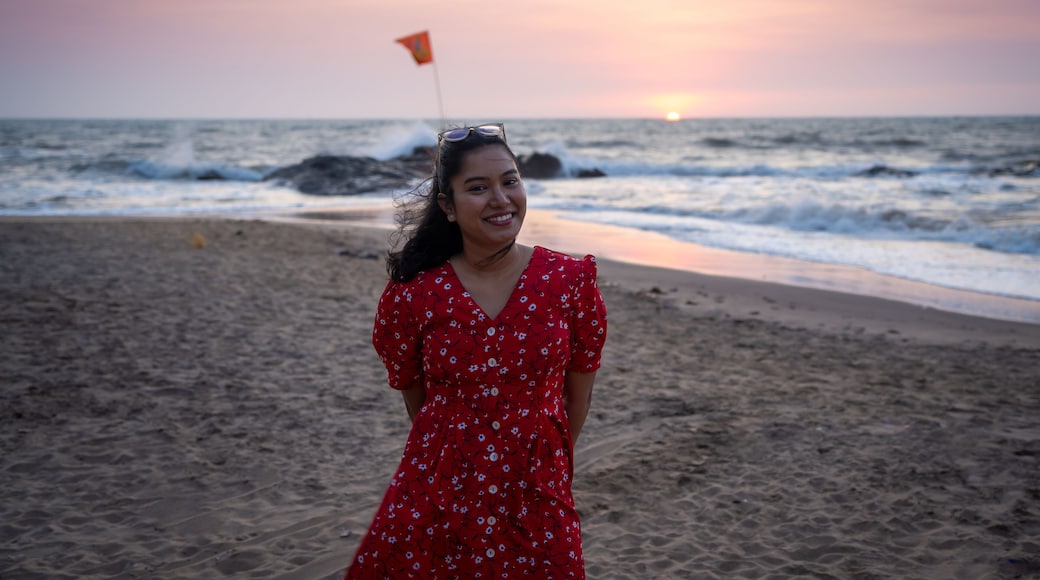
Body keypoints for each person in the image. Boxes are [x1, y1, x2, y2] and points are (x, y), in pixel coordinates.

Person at [345, 123, 608, 578]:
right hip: (438, 490)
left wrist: (544, 462)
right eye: (477, 188)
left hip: (537, 491)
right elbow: (417, 399)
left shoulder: (569, 280)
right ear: (447, 206)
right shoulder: (415, 294)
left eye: (510, 181)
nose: (501, 199)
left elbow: (577, 394)